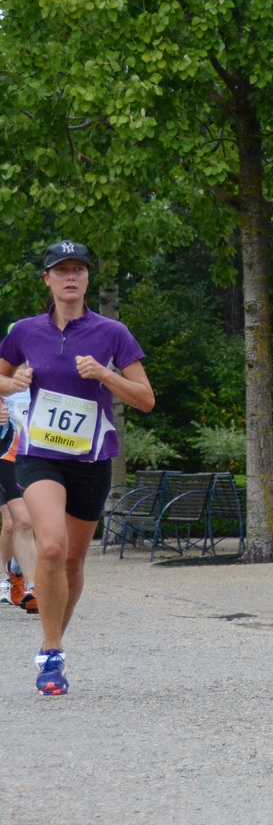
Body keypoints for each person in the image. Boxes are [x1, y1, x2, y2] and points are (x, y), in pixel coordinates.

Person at [0, 242, 155, 694]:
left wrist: (106, 375)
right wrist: (14, 382)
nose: (71, 277)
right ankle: (50, 651)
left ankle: (56, 640)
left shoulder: (113, 333)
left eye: (79, 270)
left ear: (88, 279)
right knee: (50, 546)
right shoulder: (24, 331)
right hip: (39, 454)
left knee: (71, 559)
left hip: (91, 458)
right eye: (60, 270)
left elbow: (145, 399)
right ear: (46, 279)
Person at [2, 386, 39, 612]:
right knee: (20, 521)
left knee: (40, 523)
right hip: (8, 456)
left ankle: (15, 568)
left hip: (43, 459)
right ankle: (34, 588)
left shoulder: (46, 372)